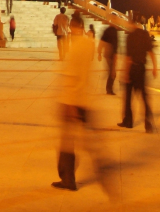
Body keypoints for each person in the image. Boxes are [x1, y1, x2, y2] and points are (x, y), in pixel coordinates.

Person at [51, 15, 98, 191]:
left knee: (67, 143)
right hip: (85, 98)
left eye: (71, 27)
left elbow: (70, 76)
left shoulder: (76, 48)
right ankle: (101, 168)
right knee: (87, 142)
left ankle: (68, 179)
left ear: (73, 26)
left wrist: (69, 105)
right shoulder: (89, 44)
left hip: (71, 100)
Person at [118, 24, 157, 132]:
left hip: (132, 69)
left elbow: (128, 58)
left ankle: (128, 121)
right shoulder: (145, 34)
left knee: (128, 97)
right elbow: (151, 52)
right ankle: (148, 122)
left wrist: (125, 73)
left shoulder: (130, 36)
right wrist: (155, 67)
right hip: (141, 69)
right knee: (144, 97)